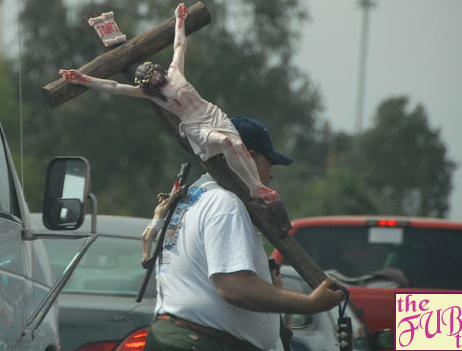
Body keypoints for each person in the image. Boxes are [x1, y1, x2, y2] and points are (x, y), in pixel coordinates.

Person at [142, 116, 346, 351]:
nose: (271, 174)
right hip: (201, 344)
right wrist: (310, 303)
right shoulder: (224, 203)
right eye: (270, 162)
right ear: (247, 156)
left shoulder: (196, 195)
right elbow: (234, 287)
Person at [60, 3, 280, 204]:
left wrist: (180, 20)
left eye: (155, 72)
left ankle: (256, 185)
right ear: (149, 84)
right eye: (152, 79)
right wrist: (82, 78)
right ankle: (253, 187)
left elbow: (180, 44)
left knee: (239, 145)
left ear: (158, 69)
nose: (156, 77)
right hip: (197, 126)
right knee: (226, 143)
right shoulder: (150, 94)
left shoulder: (174, 71)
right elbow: (114, 88)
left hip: (212, 113)